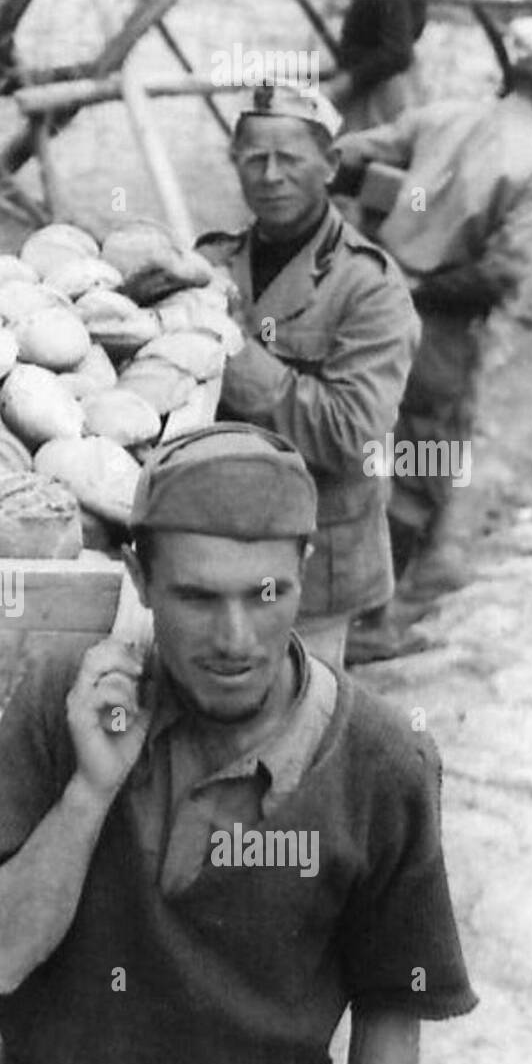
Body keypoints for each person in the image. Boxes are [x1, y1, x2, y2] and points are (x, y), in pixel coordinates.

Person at [0, 424, 477, 1064]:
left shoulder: (382, 761)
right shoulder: (70, 695)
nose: (235, 638)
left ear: (306, 571)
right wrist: (90, 791)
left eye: (267, 596)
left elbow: (395, 1007)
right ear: (139, 576)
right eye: (196, 596)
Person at [127, 85, 419, 668]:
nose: (271, 175)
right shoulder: (208, 264)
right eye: (255, 159)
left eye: (290, 159)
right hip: (212, 553)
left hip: (315, 562)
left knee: (303, 733)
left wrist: (231, 349)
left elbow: (351, 434)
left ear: (330, 166)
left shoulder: (369, 285)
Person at [333, 15, 532, 663]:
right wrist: (422, 288)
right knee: (421, 469)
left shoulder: (445, 115)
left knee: (363, 452)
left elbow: (351, 154)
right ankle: (370, 621)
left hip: (370, 308)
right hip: (438, 331)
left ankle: (349, 604)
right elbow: (501, 273)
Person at [321, 0, 428, 134]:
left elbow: (397, 53)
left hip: (381, 88)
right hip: (381, 82)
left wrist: (344, 83)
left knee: (362, 147)